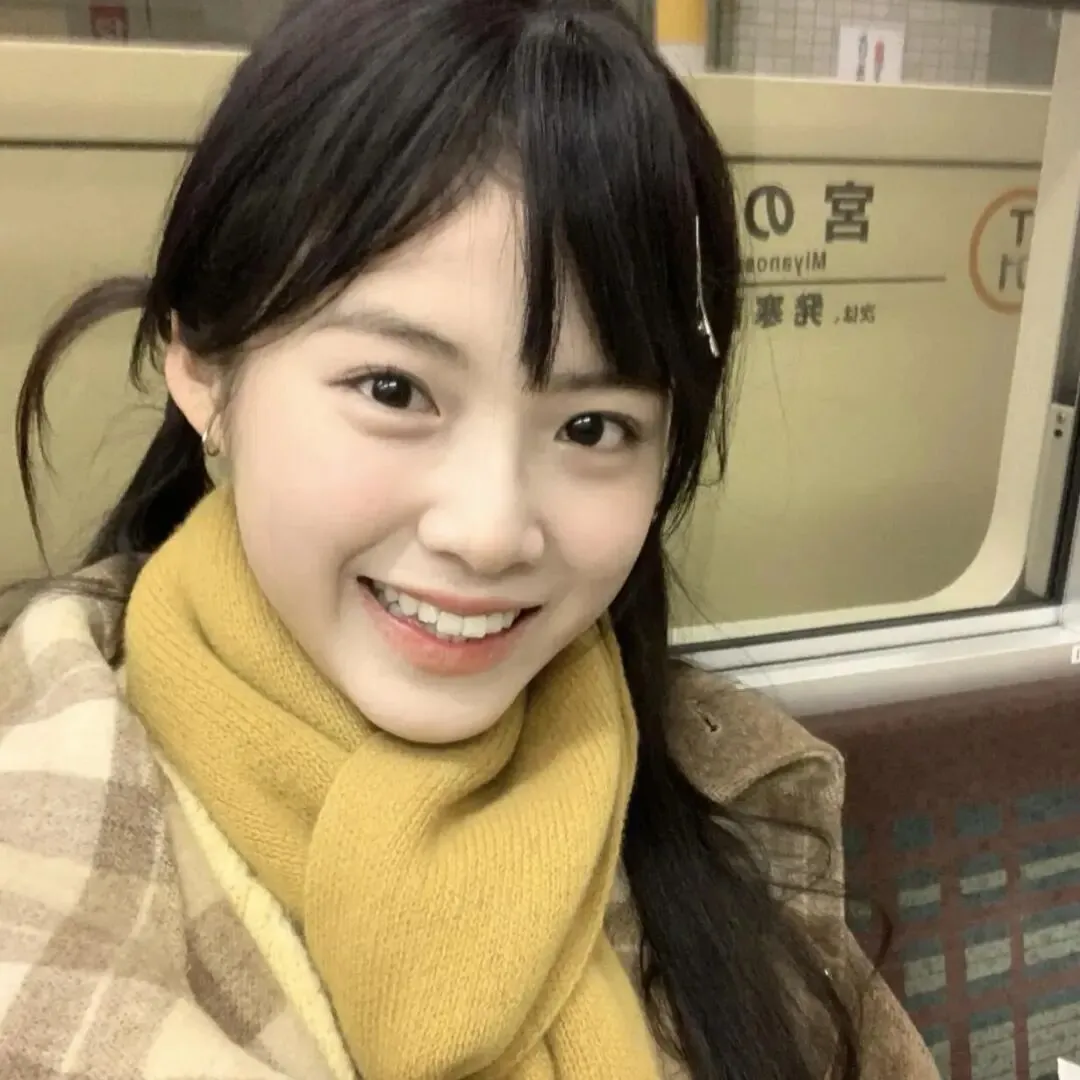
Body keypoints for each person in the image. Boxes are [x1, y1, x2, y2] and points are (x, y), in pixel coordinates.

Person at [0, 1, 939, 1077]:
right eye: (394, 389)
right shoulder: (48, 832)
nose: (490, 532)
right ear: (203, 368)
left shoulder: (721, 816)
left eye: (593, 427)